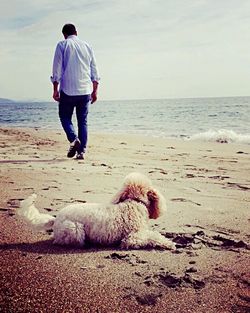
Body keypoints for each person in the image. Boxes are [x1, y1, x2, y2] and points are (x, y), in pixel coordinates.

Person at [51, 23, 100, 159]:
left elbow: (57, 69)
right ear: (76, 32)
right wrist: (95, 90)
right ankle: (81, 152)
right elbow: (94, 69)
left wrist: (55, 89)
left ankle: (74, 139)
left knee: (65, 117)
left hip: (68, 90)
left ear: (64, 34)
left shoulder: (62, 45)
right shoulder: (87, 46)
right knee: (82, 121)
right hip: (85, 90)